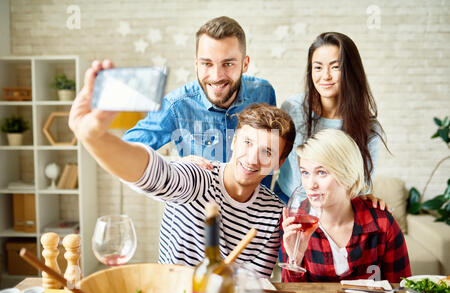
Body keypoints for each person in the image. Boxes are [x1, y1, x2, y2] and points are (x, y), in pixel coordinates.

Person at [68, 59, 296, 278]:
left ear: (279, 163)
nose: (253, 158)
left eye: (267, 152)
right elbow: (149, 173)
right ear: (234, 141)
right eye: (247, 143)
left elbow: (253, 287)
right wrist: (94, 138)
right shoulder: (199, 177)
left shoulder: (274, 212)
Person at [121, 16, 276, 187]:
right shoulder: (176, 105)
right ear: (196, 64)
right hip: (199, 211)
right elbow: (124, 150)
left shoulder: (264, 93)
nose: (216, 76)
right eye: (207, 64)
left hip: (254, 210)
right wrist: (174, 168)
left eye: (228, 64)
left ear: (245, 64)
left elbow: (271, 151)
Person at [280, 129, 411, 282]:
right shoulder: (296, 224)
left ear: (348, 175)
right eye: (305, 172)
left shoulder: (383, 224)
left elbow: (403, 290)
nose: (310, 185)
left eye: (321, 172)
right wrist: (295, 258)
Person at [274, 32, 388, 207]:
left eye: (335, 67)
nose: (325, 76)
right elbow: (273, 157)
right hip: (286, 201)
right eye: (318, 67)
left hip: (333, 210)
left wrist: (368, 199)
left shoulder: (369, 128)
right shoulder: (292, 108)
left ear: (351, 71)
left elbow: (361, 186)